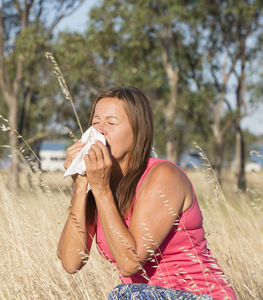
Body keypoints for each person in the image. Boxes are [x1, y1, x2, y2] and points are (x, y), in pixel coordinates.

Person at [57, 85, 236, 299]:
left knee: (124, 293)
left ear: (138, 131)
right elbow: (70, 262)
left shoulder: (163, 176)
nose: (100, 130)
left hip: (199, 295)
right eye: (95, 123)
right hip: (141, 295)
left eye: (111, 122)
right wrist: (82, 183)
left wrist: (101, 189)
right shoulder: (100, 183)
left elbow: (130, 263)